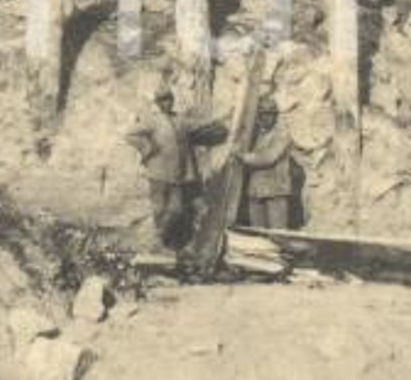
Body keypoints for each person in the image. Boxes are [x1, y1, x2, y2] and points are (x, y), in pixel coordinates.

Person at [125, 81, 226, 258]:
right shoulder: (152, 120)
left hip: (179, 175)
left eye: (169, 100)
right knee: (159, 209)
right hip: (158, 173)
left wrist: (221, 119)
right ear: (157, 103)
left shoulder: (180, 120)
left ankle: (167, 243)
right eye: (162, 100)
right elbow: (130, 134)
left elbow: (198, 125)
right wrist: (148, 147)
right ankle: (160, 245)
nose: (167, 103)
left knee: (178, 209)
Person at [238, 98, 295, 230]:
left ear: (276, 116)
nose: (265, 118)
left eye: (269, 114)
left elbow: (269, 158)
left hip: (274, 192)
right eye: (263, 114)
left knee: (278, 234)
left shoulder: (282, 135)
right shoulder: (257, 135)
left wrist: (243, 157)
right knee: (258, 235)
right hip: (256, 192)